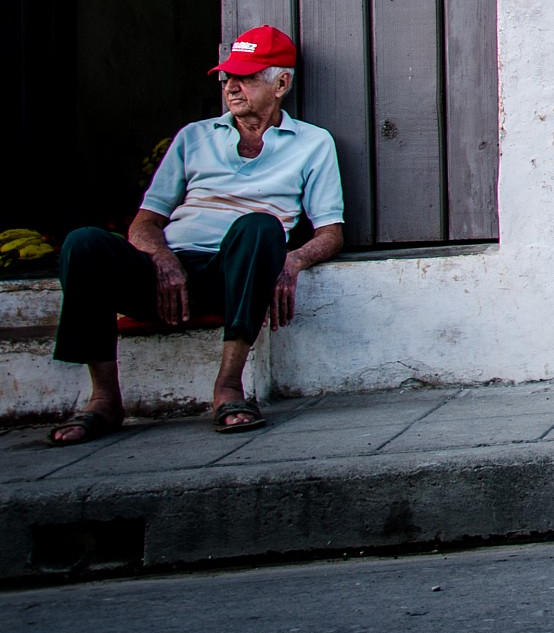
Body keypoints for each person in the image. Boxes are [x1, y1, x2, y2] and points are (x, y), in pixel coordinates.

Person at [47, 26, 345, 444]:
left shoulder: (313, 143)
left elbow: (331, 232)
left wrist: (292, 260)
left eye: (246, 77)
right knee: (83, 243)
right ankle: (104, 400)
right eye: (228, 78)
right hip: (166, 275)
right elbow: (145, 222)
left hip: (233, 276)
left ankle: (229, 388)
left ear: (281, 84)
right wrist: (161, 259)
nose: (232, 87)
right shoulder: (194, 136)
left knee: (260, 225)